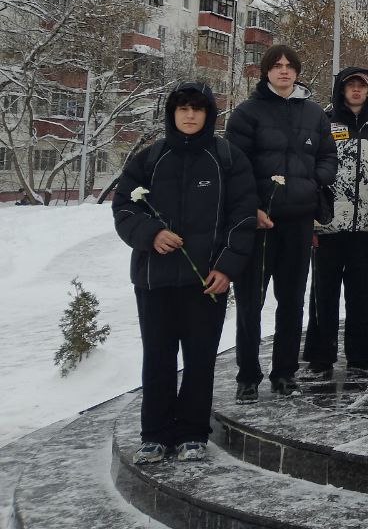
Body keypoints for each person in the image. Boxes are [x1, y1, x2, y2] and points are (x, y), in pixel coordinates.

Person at [111, 82, 257, 463]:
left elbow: (243, 218)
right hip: (154, 279)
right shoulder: (149, 159)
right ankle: (155, 434)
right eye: (182, 109)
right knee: (158, 357)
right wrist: (151, 234)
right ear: (172, 114)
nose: (190, 115)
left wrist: (226, 267)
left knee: (200, 358)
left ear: (209, 114)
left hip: (206, 281)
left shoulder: (228, 159)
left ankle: (193, 432)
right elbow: (124, 207)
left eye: (197, 109)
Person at [226, 44, 338, 403]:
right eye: (277, 65)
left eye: (290, 65)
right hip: (261, 223)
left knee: (291, 301)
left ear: (298, 72)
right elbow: (235, 165)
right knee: (250, 302)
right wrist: (252, 208)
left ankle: (284, 373)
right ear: (266, 71)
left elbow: (328, 156)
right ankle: (247, 375)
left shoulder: (314, 113)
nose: (284, 71)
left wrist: (314, 181)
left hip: (299, 221)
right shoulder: (247, 113)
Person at [302, 67, 368, 378]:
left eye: (362, 85)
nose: (356, 90)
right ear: (341, 89)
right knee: (323, 293)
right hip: (327, 225)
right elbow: (310, 169)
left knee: (361, 291)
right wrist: (311, 218)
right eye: (350, 85)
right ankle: (320, 356)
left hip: (365, 224)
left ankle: (362, 355)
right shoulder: (323, 122)